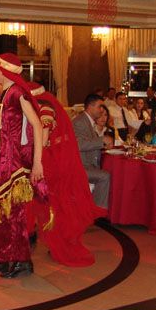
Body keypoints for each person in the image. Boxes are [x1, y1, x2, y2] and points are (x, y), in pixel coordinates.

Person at [0, 53, 46, 280]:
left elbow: (37, 124)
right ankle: (3, 258)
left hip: (15, 162)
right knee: (0, 211)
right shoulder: (8, 92)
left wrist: (37, 163)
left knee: (9, 212)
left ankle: (17, 260)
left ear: (5, 71)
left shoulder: (17, 93)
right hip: (6, 160)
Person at [28, 82, 105, 267]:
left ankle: (54, 239)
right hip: (54, 161)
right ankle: (48, 238)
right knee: (52, 203)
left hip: (49, 163)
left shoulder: (44, 109)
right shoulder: (48, 107)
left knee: (51, 203)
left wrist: (36, 158)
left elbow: (44, 137)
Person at [72, 93, 112, 209]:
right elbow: (79, 144)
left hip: (87, 163)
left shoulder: (88, 121)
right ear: (90, 107)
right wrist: (101, 140)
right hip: (79, 166)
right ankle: (97, 210)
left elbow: (88, 143)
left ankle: (95, 208)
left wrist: (102, 145)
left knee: (108, 172)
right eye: (100, 107)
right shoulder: (80, 122)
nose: (101, 110)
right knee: (105, 176)